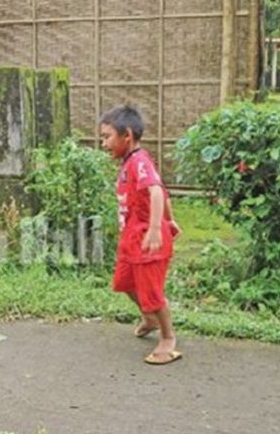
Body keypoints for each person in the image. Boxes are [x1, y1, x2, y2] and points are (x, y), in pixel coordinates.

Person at [99, 104, 182, 365]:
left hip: (149, 241)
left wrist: (158, 227)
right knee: (124, 284)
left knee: (152, 293)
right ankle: (149, 319)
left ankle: (168, 338)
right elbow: (160, 194)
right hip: (131, 239)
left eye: (107, 136)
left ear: (127, 136)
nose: (103, 143)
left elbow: (156, 191)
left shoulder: (140, 161)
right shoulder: (128, 163)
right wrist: (171, 219)